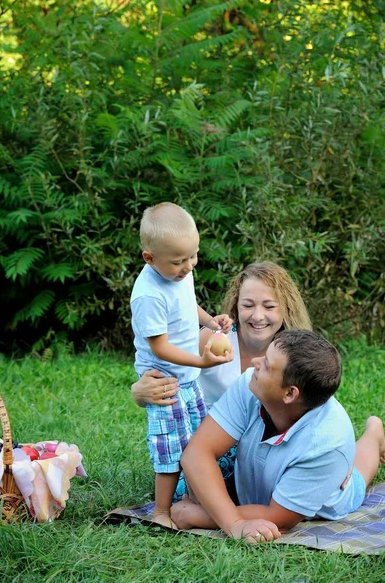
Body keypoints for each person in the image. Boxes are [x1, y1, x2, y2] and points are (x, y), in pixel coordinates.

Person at [170, 330, 385, 544]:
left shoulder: (327, 444)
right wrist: (233, 521)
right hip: (266, 480)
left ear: (290, 394)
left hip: (328, 496)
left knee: (356, 478)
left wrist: (201, 516)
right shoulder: (251, 383)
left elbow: (279, 517)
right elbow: (197, 453)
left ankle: (374, 434)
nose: (254, 362)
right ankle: (373, 432)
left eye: (266, 364)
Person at [131, 261, 312, 499]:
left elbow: (315, 408)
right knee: (182, 494)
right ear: (236, 306)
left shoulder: (295, 353)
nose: (258, 316)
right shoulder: (211, 341)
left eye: (269, 306)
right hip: (211, 446)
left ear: (285, 308)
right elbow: (166, 376)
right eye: (248, 305)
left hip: (265, 451)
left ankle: (372, 438)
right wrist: (139, 393)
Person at [130, 202, 233, 528]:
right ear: (150, 258)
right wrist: (201, 361)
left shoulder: (177, 273)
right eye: (179, 261)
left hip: (186, 378)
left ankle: (190, 498)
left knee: (196, 442)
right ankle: (161, 511)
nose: (188, 266)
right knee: (170, 451)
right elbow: (159, 346)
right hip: (164, 381)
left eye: (193, 256)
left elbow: (188, 305)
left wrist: (211, 322)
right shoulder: (149, 295)